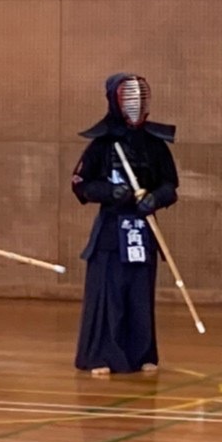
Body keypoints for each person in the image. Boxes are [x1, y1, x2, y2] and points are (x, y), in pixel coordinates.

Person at [71, 74, 177, 376]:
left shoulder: (155, 144)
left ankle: (141, 354)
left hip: (143, 229)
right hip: (111, 232)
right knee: (110, 294)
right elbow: (80, 184)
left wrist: (155, 199)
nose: (135, 105)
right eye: (128, 98)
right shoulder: (102, 144)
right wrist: (110, 192)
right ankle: (102, 355)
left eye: (139, 99)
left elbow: (170, 185)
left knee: (139, 295)